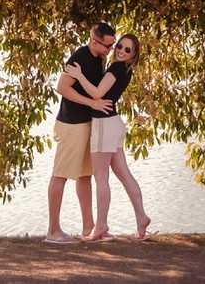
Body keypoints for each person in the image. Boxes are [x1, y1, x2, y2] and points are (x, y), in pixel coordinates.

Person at [64, 32, 152, 242]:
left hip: (104, 124)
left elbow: (97, 93)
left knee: (101, 178)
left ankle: (101, 226)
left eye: (127, 50)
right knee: (124, 174)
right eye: (119, 46)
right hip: (114, 123)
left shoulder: (116, 68)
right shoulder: (125, 70)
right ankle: (141, 217)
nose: (121, 51)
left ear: (133, 55)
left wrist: (79, 75)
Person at [44, 22, 116, 244]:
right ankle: (53, 231)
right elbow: (62, 88)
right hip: (71, 125)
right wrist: (92, 103)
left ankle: (88, 228)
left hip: (88, 124)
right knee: (60, 175)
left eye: (113, 45)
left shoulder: (100, 58)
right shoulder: (79, 57)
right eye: (108, 46)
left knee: (85, 175)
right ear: (94, 41)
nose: (111, 49)